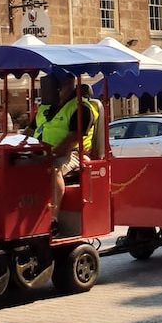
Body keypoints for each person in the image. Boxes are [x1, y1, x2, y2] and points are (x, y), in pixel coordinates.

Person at [32, 74, 98, 231]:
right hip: (42, 151)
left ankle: (52, 220)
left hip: (74, 153)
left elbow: (73, 139)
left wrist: (49, 155)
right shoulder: (45, 107)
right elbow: (29, 131)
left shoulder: (82, 107)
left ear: (68, 85)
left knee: (54, 169)